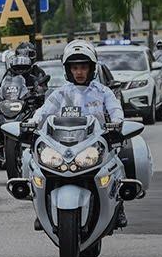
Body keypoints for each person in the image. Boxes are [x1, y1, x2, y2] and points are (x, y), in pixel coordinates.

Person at [27, 39, 128, 227]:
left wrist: (117, 122)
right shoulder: (61, 93)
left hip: (96, 142)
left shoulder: (103, 91)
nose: (79, 72)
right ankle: (40, 205)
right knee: (32, 159)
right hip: (63, 142)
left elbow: (115, 109)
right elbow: (44, 111)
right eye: (75, 68)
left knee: (119, 162)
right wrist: (32, 122)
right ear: (68, 70)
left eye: (83, 67)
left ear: (91, 68)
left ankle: (119, 206)